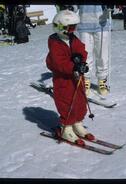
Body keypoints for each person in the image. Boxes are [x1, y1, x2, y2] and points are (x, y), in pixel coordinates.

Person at [45, 10, 95, 145]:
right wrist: (73, 67)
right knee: (66, 102)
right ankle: (66, 127)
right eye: (70, 27)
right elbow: (58, 62)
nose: (73, 31)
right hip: (63, 81)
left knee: (80, 100)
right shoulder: (55, 43)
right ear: (60, 27)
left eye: (75, 27)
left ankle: (78, 123)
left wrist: (81, 61)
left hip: (77, 78)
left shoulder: (73, 38)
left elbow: (82, 50)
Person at [77, 5, 111, 96]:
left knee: (102, 55)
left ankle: (102, 81)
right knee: (85, 55)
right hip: (84, 23)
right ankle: (86, 80)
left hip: (101, 23)